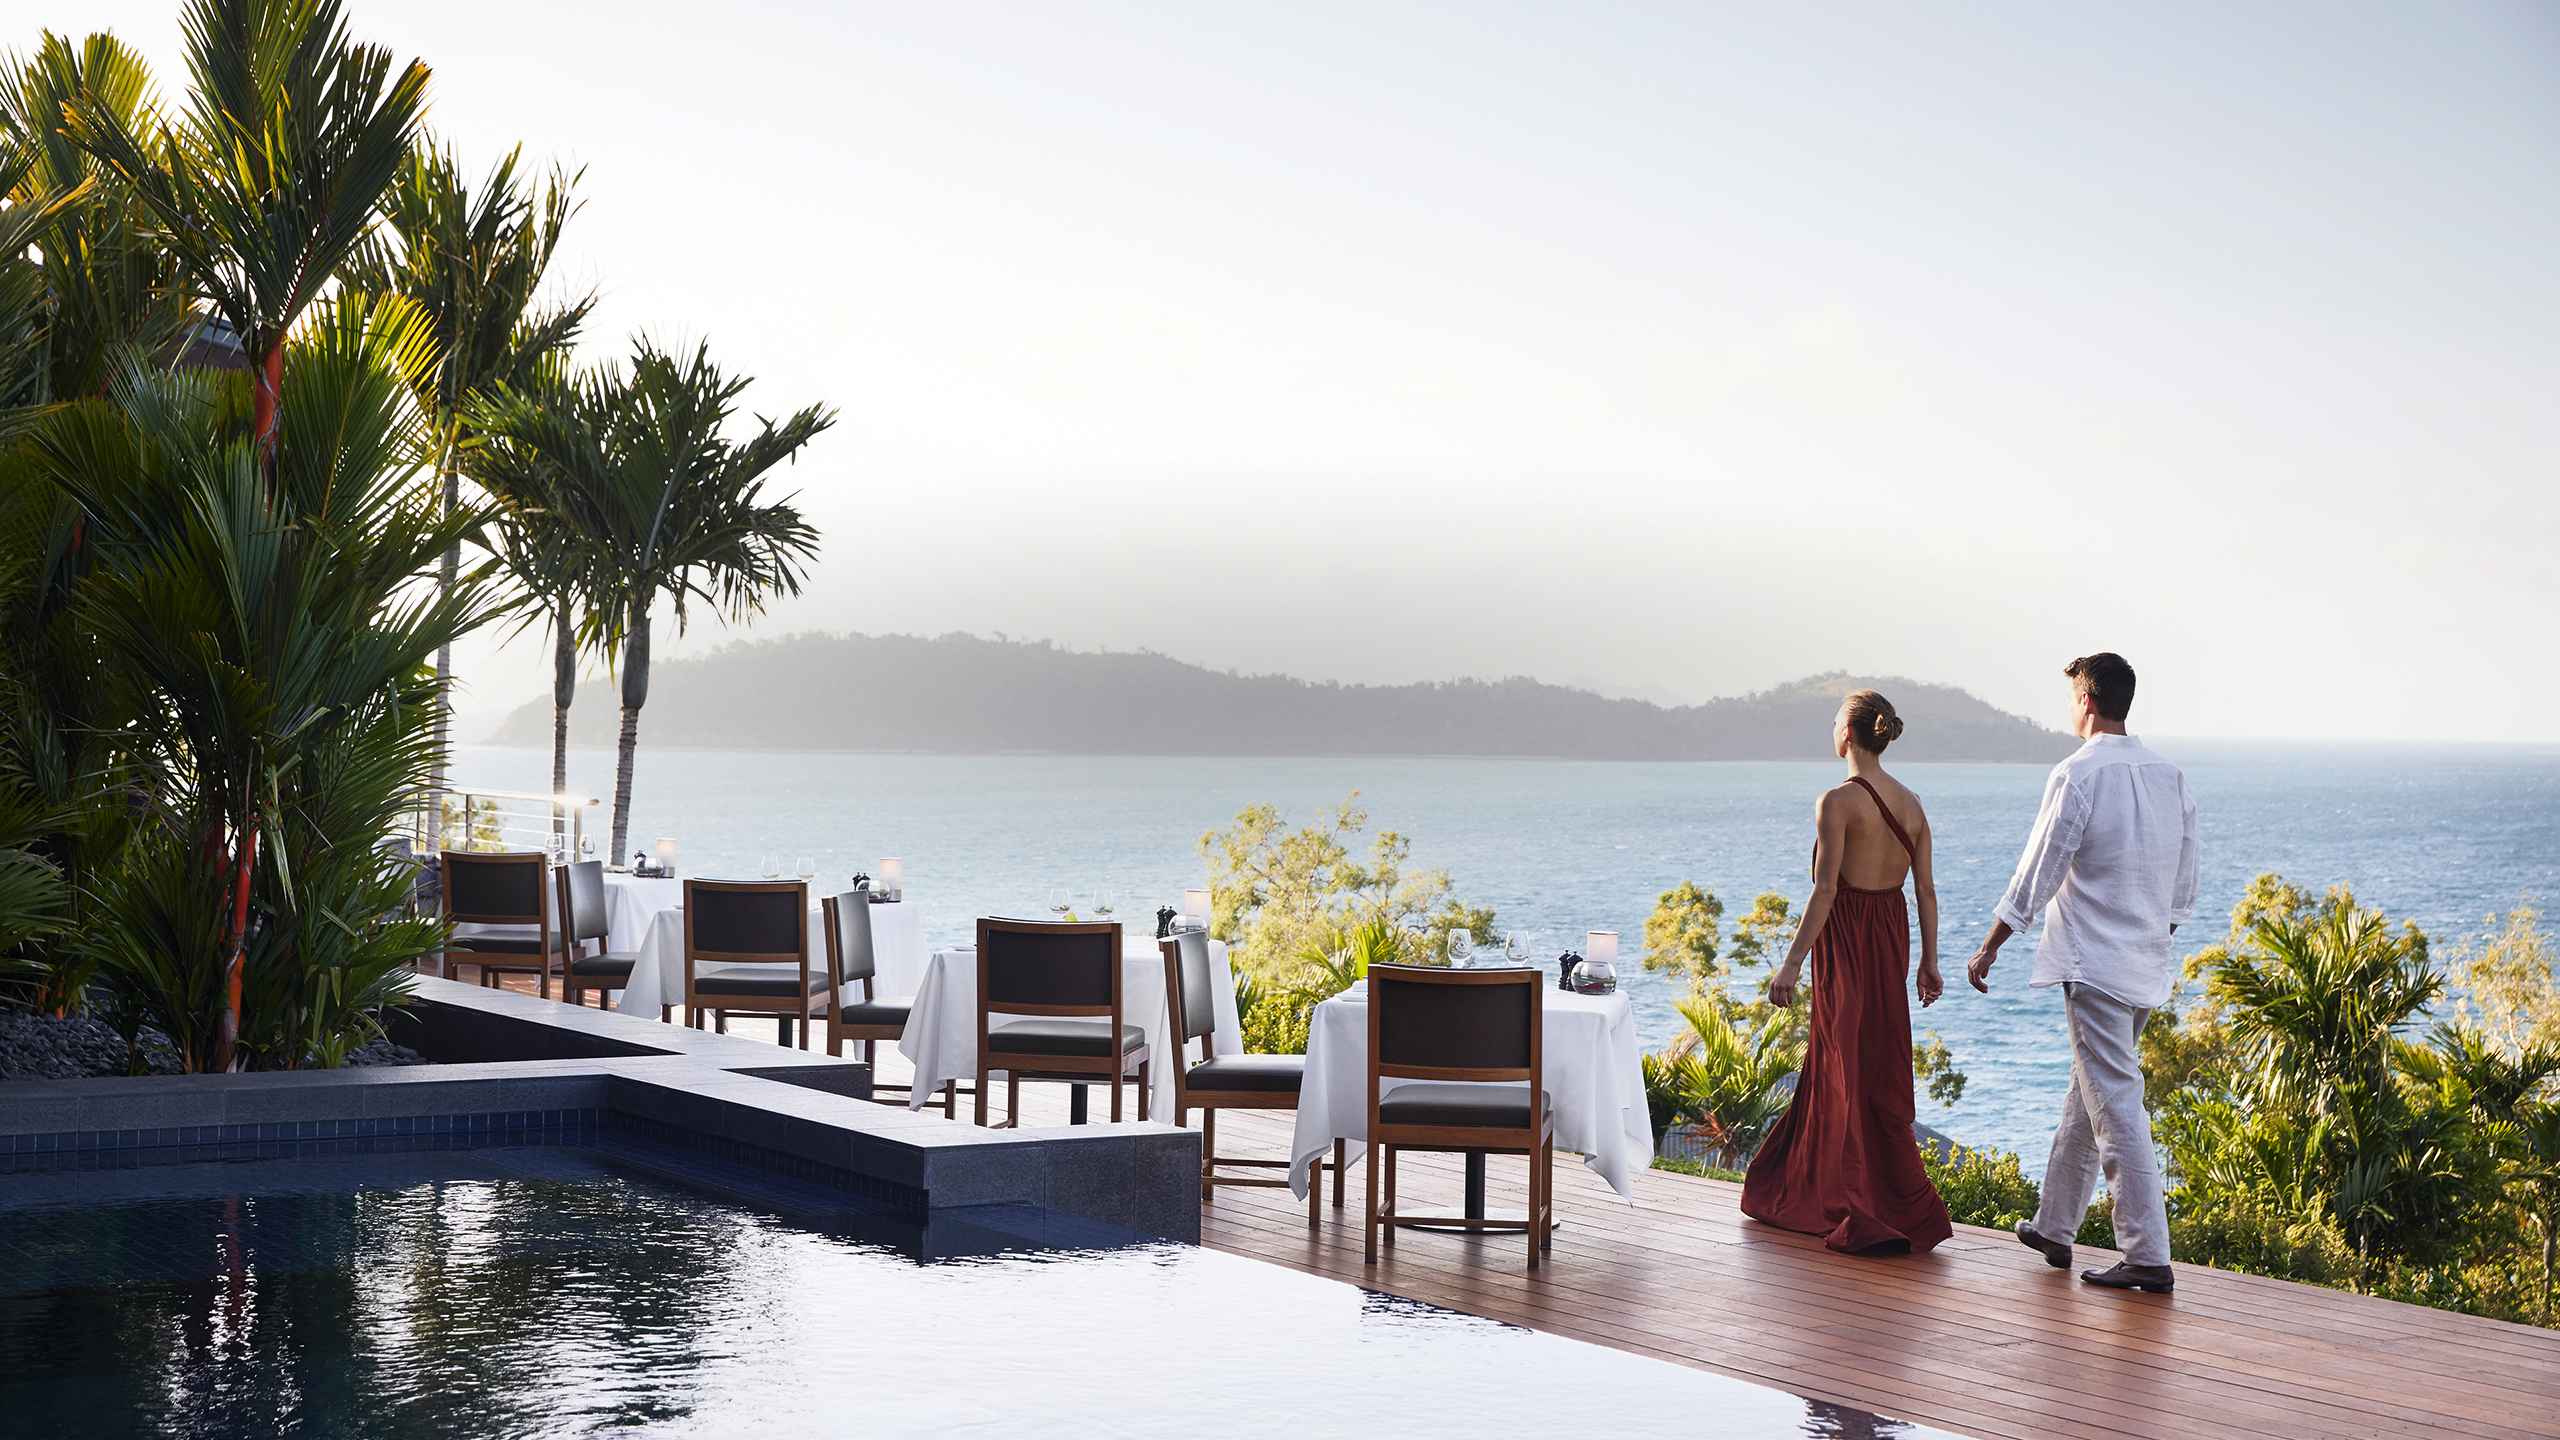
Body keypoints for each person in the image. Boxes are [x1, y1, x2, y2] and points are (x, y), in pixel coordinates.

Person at [1968, 652, 2198, 1294]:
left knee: (2117, 1106)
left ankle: (2147, 1254)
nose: (2070, 709)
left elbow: (2038, 867)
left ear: (2088, 702)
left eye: (2072, 698)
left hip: (2094, 967)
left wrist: (1990, 946)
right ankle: (2054, 1226)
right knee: (2090, 1093)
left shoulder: (2078, 772)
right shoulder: (2170, 775)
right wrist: (2151, 934)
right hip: (2145, 964)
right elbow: (2184, 885)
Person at [1741, 690, 1953, 1255]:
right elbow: (1926, 890)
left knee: (1841, 1063)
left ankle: (1851, 1201)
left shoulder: (1837, 801)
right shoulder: (1912, 804)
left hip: (1848, 937)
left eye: (1835, 721)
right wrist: (1930, 962)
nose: (1832, 729)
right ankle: (1884, 1196)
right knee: (1877, 1063)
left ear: (1850, 735)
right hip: (1891, 936)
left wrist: (1790, 966)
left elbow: (1826, 890)